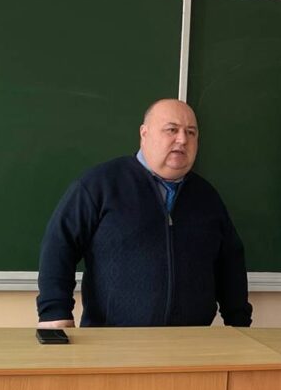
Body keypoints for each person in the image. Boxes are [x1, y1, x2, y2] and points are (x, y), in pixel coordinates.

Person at [36, 98, 252, 328]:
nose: (182, 139)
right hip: (112, 340)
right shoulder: (101, 185)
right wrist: (54, 312)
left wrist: (239, 322)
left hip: (191, 341)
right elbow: (59, 245)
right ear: (144, 133)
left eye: (191, 132)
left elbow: (230, 264)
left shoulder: (207, 197)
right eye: (172, 130)